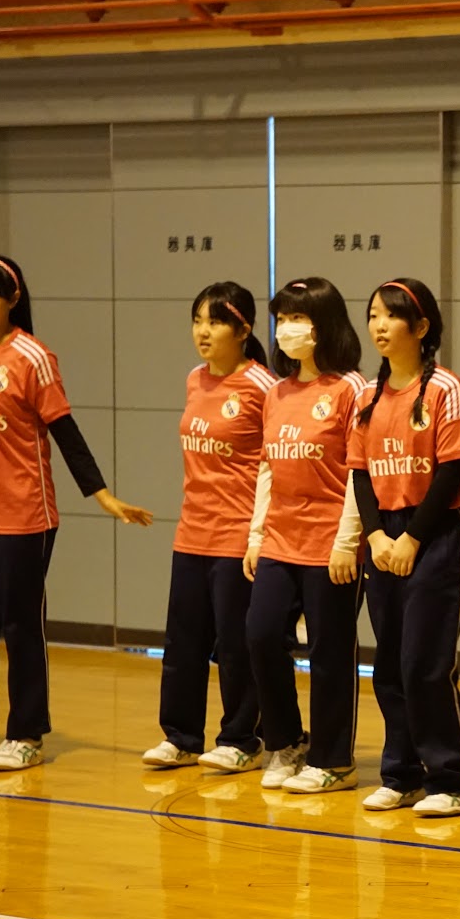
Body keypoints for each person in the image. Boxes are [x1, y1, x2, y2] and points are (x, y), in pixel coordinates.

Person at [0, 255, 152, 773]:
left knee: (21, 627)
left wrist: (102, 496)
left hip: (23, 516)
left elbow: (66, 432)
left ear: (12, 299)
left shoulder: (33, 356)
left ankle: (25, 733)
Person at [348, 278, 460, 816]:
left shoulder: (447, 389)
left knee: (426, 663)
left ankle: (452, 779)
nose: (379, 325)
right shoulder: (366, 396)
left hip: (438, 531)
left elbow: (453, 469)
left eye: (391, 315)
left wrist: (412, 538)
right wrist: (377, 535)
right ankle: (400, 774)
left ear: (421, 327)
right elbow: (360, 472)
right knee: (389, 666)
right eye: (373, 315)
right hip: (385, 535)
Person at [142, 282, 277, 775]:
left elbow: (276, 465)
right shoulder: (194, 380)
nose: (203, 331)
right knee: (183, 643)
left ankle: (242, 738)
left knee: (236, 645)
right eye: (197, 320)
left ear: (242, 330)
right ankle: (180, 736)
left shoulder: (263, 386)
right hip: (192, 532)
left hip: (237, 536)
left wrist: (261, 535)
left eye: (215, 321)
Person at [244, 277, 368, 794]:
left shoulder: (351, 388)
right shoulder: (277, 392)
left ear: (326, 324)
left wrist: (347, 542)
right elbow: (268, 467)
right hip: (280, 540)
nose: (287, 328)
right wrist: (256, 535)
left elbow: (360, 472)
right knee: (260, 634)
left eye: (298, 317)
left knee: (330, 651)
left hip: (330, 542)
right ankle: (286, 741)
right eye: (282, 318)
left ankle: (333, 759)